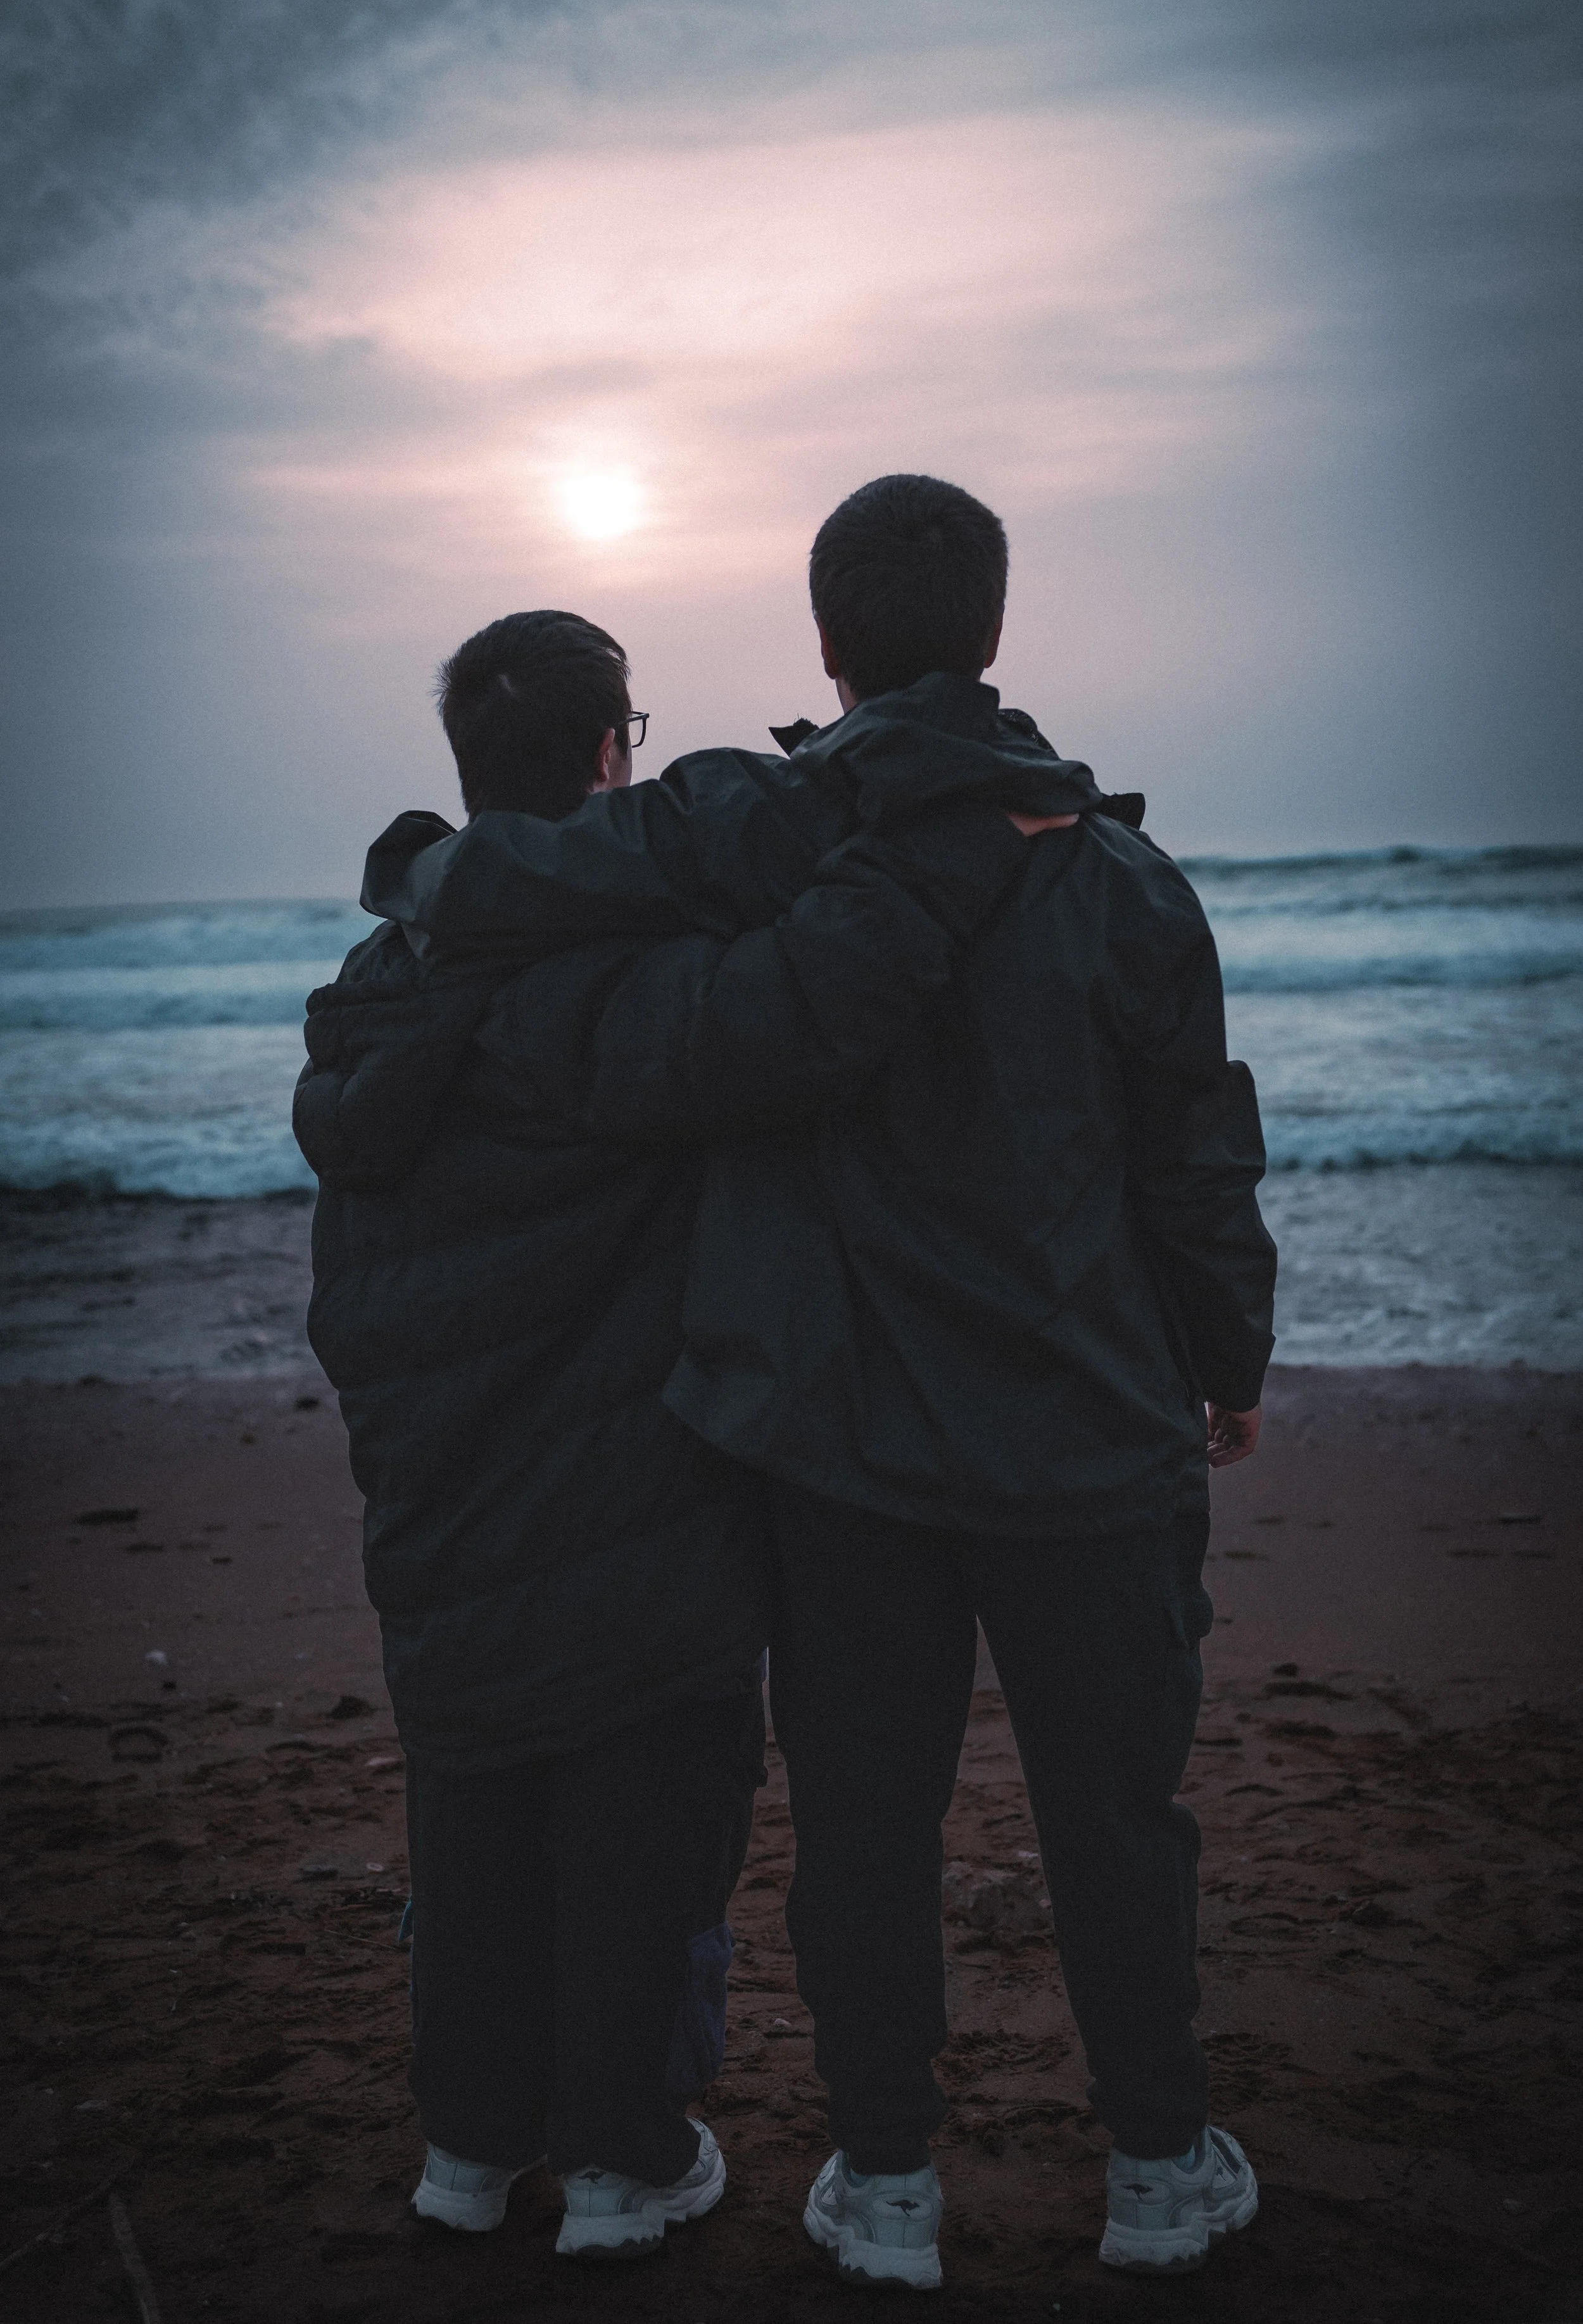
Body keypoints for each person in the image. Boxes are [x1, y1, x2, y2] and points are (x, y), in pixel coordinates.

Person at [366, 477, 1278, 2289]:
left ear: (823, 641)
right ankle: (1159, 2166)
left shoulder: (764, 859)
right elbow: (1197, 1161)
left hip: (841, 1448)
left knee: (864, 1826)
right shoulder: (1110, 872)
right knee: (1117, 1817)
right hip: (1089, 1437)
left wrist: (424, 887)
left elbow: (592, 895)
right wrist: (1224, 1360)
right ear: (994, 631)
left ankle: (884, 2185)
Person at [294, 605, 1075, 2261]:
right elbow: (815, 1000)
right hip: (627, 1487)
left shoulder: (376, 985)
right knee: (639, 1842)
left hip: (432, 1492)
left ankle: (464, 2153)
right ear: (606, 754)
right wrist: (949, 840)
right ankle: (623, 2167)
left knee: (479, 1827)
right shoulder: (610, 985)